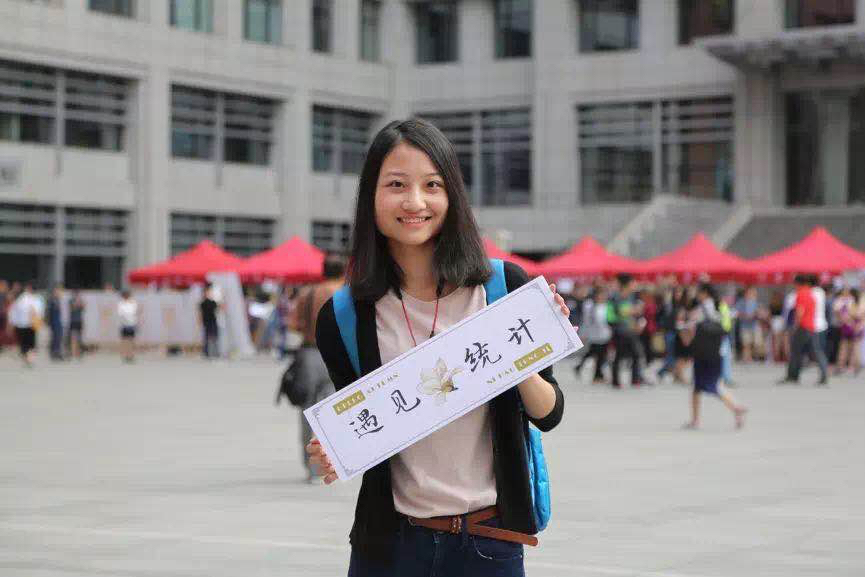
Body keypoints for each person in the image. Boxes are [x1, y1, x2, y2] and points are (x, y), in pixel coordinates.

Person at [305, 118, 568, 576]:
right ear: (371, 196)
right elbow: (363, 424)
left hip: (489, 543)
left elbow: (549, 413)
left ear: (452, 196)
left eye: (432, 185)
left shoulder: (503, 287)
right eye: (396, 185)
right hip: (390, 549)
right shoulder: (345, 315)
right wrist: (334, 447)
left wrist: (522, 352)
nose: (415, 202)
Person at [290, 255, 345, 483]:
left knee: (308, 410)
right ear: (342, 271)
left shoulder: (307, 293)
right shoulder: (345, 294)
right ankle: (330, 462)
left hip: (309, 354)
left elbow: (294, 324)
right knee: (334, 411)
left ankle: (311, 466)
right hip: (336, 355)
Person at [681, 284, 747, 430]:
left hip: (703, 353)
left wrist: (686, 332)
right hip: (717, 350)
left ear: (704, 293)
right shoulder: (722, 306)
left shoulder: (702, 309)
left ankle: (735, 407)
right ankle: (695, 420)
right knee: (699, 387)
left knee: (710, 386)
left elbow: (690, 327)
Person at [779, 275, 829, 386]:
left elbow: (800, 311)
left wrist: (795, 326)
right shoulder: (815, 293)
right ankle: (824, 375)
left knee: (796, 352)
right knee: (817, 352)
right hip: (813, 326)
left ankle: (792, 376)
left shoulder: (801, 293)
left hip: (803, 326)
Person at [609, 274, 646, 388]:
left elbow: (637, 312)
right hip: (619, 330)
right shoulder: (616, 297)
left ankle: (635, 379)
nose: (635, 285)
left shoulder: (633, 297)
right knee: (619, 355)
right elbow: (618, 312)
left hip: (631, 329)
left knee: (636, 354)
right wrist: (632, 310)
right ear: (627, 284)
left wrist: (638, 320)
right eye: (633, 282)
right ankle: (615, 381)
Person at [576, 285, 612, 383]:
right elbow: (586, 321)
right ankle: (597, 376)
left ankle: (597, 375)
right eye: (600, 294)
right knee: (597, 354)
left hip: (605, 334)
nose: (602, 297)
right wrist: (583, 333)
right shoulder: (589, 306)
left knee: (599, 355)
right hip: (594, 334)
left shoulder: (607, 305)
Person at [9, 284, 40, 367]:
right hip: (30, 324)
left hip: (22, 324)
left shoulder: (19, 300)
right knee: (30, 343)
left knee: (24, 343)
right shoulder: (34, 299)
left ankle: (27, 358)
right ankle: (29, 359)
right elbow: (38, 312)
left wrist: (12, 322)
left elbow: (13, 312)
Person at [737, 286, 759, 363]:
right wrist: (746, 316)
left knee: (754, 343)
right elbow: (738, 313)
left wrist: (755, 315)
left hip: (753, 325)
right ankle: (746, 358)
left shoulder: (755, 302)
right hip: (744, 326)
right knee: (746, 343)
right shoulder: (741, 302)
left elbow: (758, 312)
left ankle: (750, 357)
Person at [117, 290, 139, 363]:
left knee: (131, 340)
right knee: (125, 341)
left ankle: (131, 355)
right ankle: (125, 355)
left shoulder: (133, 303)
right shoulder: (121, 303)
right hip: (124, 324)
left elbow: (135, 312)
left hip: (132, 324)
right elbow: (121, 314)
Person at [199, 283, 220, 359]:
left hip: (213, 321)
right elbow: (200, 313)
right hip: (207, 322)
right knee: (207, 338)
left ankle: (215, 352)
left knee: (214, 337)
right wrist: (200, 321)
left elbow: (219, 309)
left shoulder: (213, 302)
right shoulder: (203, 303)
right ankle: (206, 352)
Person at [46, 284, 64, 361]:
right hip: (54, 322)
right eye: (58, 291)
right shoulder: (52, 301)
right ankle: (54, 353)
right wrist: (49, 322)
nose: (59, 293)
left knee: (59, 337)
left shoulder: (59, 301)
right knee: (54, 338)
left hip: (59, 321)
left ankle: (58, 352)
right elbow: (49, 312)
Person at [68, 290, 85, 360]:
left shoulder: (80, 301)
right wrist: (77, 303)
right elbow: (73, 308)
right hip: (73, 321)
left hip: (79, 321)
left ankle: (78, 352)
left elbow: (83, 307)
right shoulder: (71, 301)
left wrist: (80, 303)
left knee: (79, 338)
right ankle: (73, 352)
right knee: (73, 337)